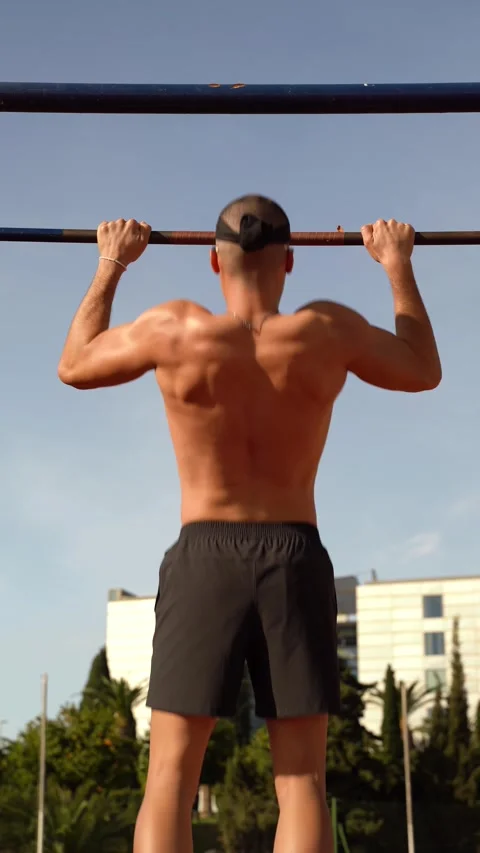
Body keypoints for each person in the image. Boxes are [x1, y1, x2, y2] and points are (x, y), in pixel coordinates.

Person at [58, 195, 441, 853]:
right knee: (300, 781)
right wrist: (396, 265)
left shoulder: (174, 329)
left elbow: (75, 363)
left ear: (213, 260)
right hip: (293, 552)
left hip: (205, 552)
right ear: (291, 262)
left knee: (171, 779)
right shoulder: (327, 330)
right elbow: (422, 368)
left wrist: (111, 264)